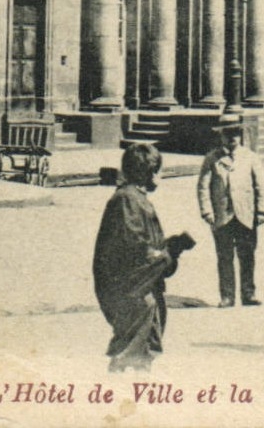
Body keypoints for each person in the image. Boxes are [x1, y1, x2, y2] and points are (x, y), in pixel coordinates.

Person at [91, 142, 196, 372]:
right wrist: (168, 253)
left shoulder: (135, 198)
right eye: (157, 170)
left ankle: (138, 392)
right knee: (129, 349)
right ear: (146, 172)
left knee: (142, 350)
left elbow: (147, 246)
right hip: (131, 290)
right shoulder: (127, 200)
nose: (160, 176)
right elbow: (136, 249)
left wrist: (172, 247)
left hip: (142, 288)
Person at [197, 114, 264, 307]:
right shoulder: (212, 158)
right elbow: (203, 187)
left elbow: (260, 185)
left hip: (246, 214)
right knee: (225, 256)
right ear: (220, 136)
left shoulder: (250, 157)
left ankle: (248, 293)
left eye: (236, 133)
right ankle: (227, 296)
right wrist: (207, 211)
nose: (232, 138)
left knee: (247, 255)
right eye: (228, 133)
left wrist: (261, 211)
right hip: (222, 215)